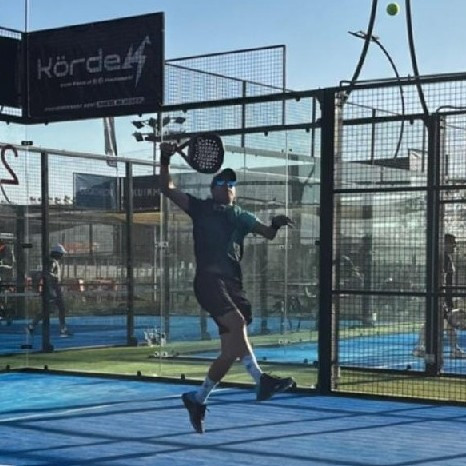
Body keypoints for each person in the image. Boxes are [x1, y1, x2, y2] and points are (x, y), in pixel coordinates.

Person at [160, 142, 295, 434]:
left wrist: (275, 224)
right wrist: (165, 158)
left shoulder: (241, 216)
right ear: (213, 189)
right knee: (237, 324)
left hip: (233, 284)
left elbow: (268, 234)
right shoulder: (200, 208)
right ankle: (260, 380)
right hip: (209, 281)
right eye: (222, 183)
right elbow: (167, 188)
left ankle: (197, 399)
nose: (228, 187)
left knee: (230, 351)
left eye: (232, 184)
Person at [413, 233, 466, 359]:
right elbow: (444, 282)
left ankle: (422, 347)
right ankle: (421, 347)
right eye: (452, 243)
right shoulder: (442, 258)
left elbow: (447, 281)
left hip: (440, 296)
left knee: (445, 322)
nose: (455, 245)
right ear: (445, 243)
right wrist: (447, 301)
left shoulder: (445, 258)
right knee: (438, 322)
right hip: (438, 296)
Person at [27, 243, 72, 337]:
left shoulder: (52, 261)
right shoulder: (52, 262)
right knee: (58, 308)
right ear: (56, 253)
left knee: (49, 310)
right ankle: (63, 330)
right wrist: (55, 281)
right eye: (61, 254)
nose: (62, 256)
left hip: (51, 288)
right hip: (52, 288)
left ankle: (32, 326)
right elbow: (48, 273)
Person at [0, 237, 15, 323]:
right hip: (3, 277)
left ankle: (8, 313)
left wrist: (2, 262)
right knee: (2, 295)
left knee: (7, 294)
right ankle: (3, 312)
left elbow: (8, 262)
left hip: (6, 277)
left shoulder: (7, 251)